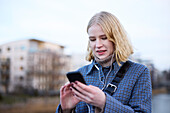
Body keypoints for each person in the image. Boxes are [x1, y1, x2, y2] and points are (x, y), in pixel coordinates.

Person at [56, 11, 152, 113]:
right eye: (92, 39)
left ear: (117, 38)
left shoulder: (139, 72)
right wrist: (66, 110)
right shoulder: (81, 73)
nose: (98, 45)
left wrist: (104, 102)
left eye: (104, 38)